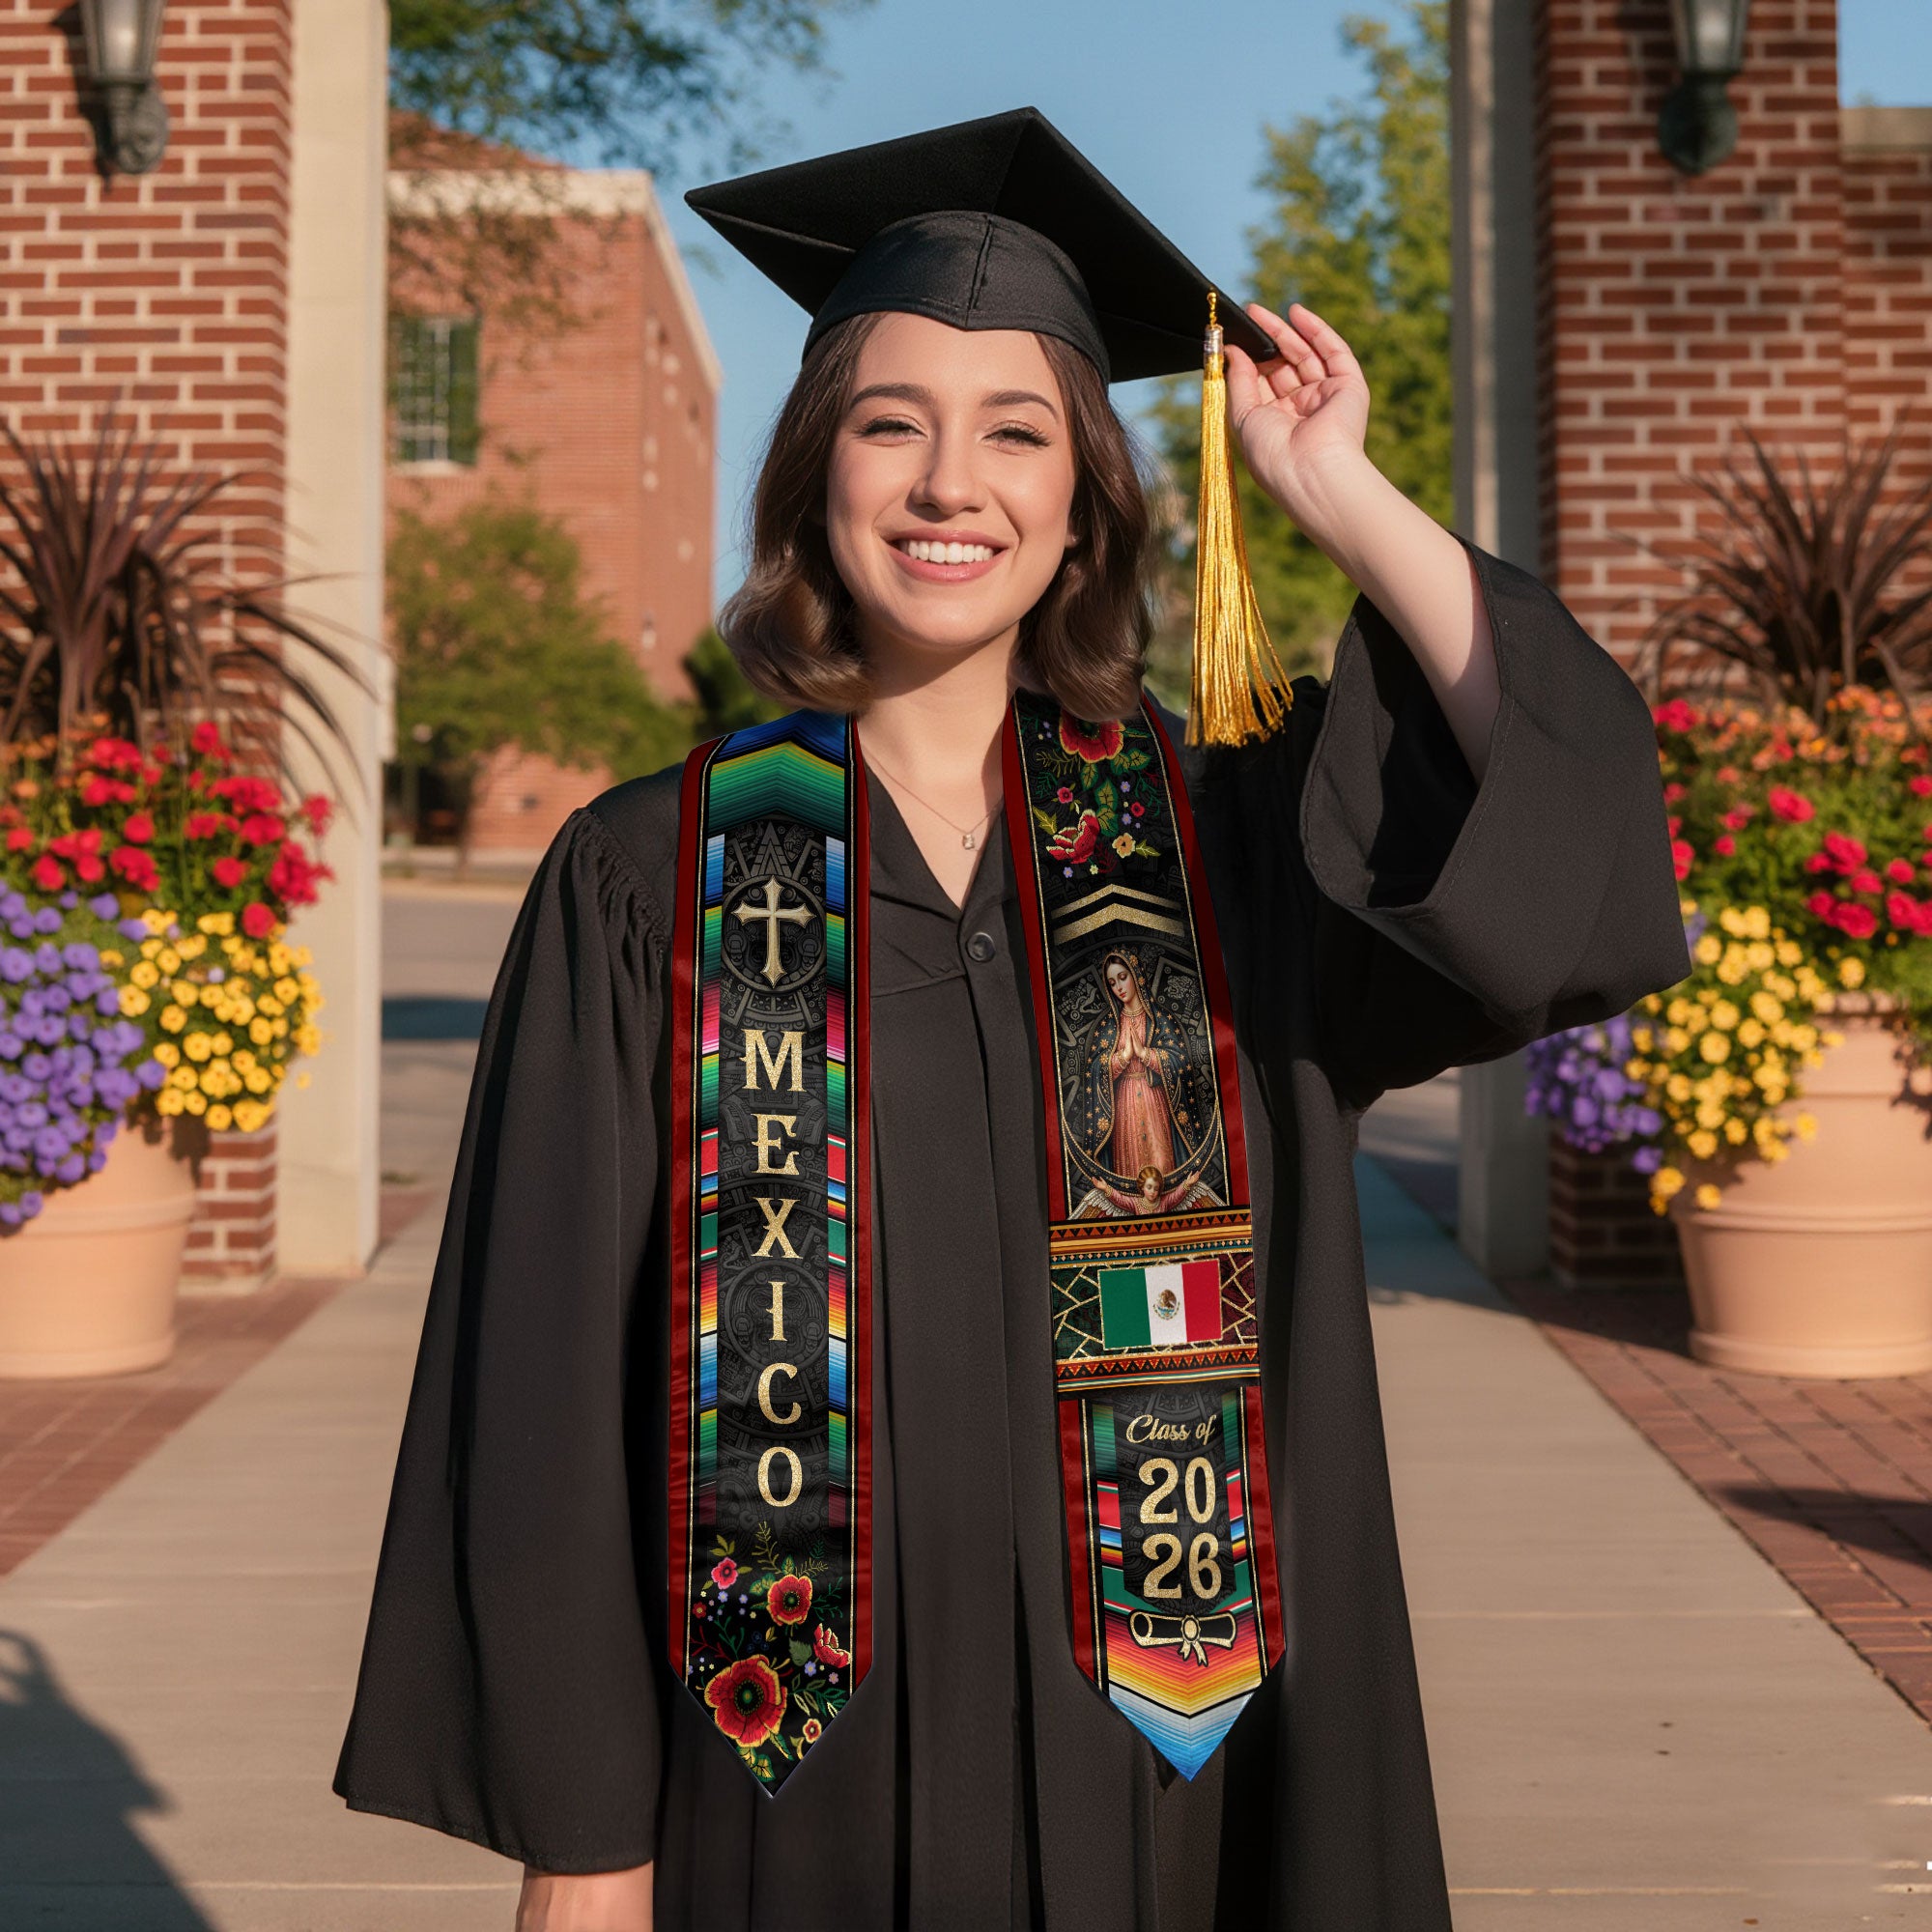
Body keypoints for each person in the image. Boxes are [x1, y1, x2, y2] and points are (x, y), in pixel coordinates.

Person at [332, 108, 1690, 1932]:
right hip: (779, 1791)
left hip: (1180, 1783)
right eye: (892, 424)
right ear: (818, 472)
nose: (948, 483)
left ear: (1083, 504)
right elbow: (546, 1386)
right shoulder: (651, 877)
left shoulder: (1228, 857)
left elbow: (1560, 834)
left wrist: (1337, 492)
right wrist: (585, 1844)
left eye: (1016, 433)